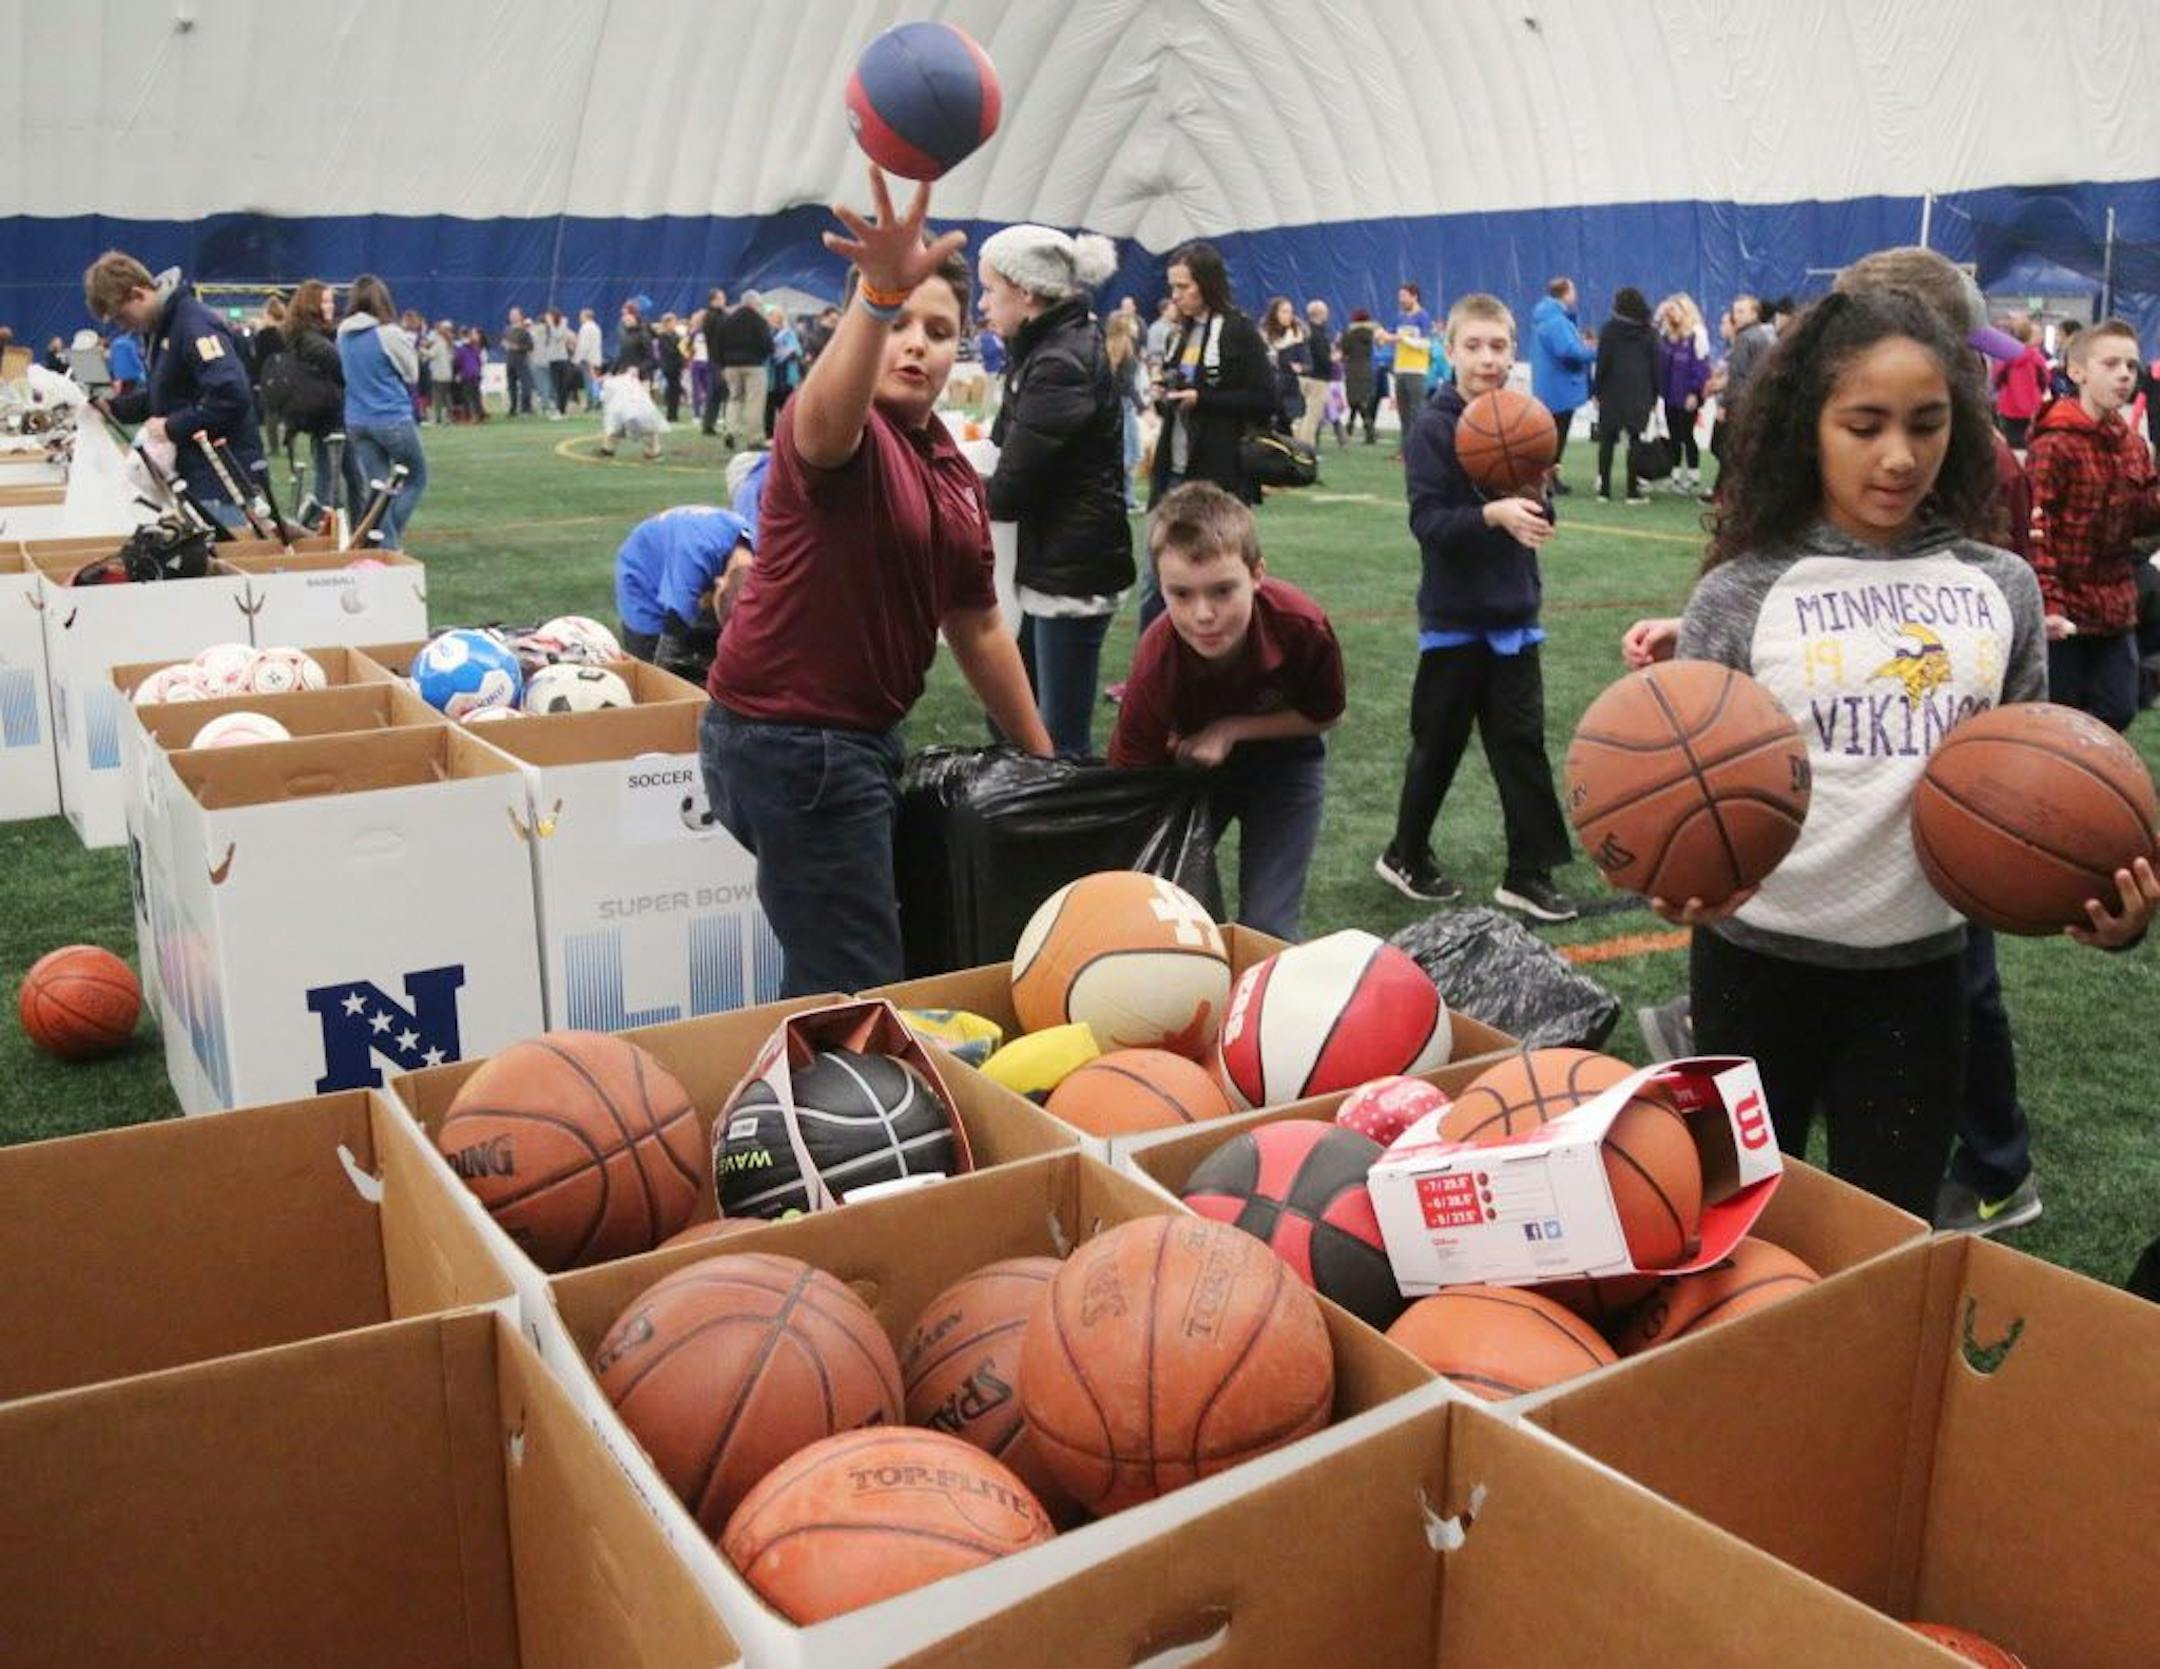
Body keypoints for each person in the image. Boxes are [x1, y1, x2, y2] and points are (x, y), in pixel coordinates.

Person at [1667, 286, 2153, 1219]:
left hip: (1920, 981)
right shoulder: (1741, 592)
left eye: (1927, 424)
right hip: (1749, 968)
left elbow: (2030, 793)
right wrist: (1676, 866)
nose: (1899, 455)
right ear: (1809, 425)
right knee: (1727, 1228)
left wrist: (2100, 899)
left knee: (1884, 1249)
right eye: (1864, 424)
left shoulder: (1999, 587)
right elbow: (1692, 789)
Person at [701, 167, 1051, 996]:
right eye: (902, 323)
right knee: (854, 983)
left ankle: (800, 1101)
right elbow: (823, 419)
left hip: (841, 742)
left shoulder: (952, 470)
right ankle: (811, 1117)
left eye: (939, 328)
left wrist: (1043, 759)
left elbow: (979, 626)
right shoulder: (844, 436)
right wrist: (877, 298)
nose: (917, 343)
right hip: (796, 740)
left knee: (839, 958)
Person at [1378, 293, 1578, 922]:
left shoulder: (1524, 418)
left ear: (1512, 353)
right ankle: (1405, 853)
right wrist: (1492, 513)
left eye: (1498, 347)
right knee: (1436, 745)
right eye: (1474, 346)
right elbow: (1428, 522)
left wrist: (1535, 506)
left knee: (1522, 746)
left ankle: (1529, 871)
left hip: (1516, 616)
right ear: (1450, 349)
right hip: (1455, 620)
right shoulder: (1434, 427)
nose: (1487, 359)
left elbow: (1542, 513)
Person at [1109, 482, 1344, 940]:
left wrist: (1231, 728)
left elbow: (1327, 713)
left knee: (1267, 928)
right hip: (1192, 773)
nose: (1203, 614)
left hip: (1286, 762)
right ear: (1160, 587)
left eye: (1222, 590)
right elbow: (1130, 778)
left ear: (1257, 574)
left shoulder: (1302, 626)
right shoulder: (1157, 657)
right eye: (1181, 594)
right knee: (1162, 918)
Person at [978, 224, 1132, 759]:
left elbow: (1010, 489)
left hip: (1072, 572)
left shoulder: (1059, 362)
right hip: (1057, 560)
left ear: (1025, 292)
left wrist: (940, 486)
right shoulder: (1043, 349)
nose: (983, 303)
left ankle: (1073, 838)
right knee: (1013, 716)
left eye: (990, 290)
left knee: (1060, 740)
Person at [2023, 317, 2160, 734]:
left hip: (2115, 603)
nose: (2124, 374)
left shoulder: (2134, 445)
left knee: (2118, 708)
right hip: (2063, 607)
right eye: (2111, 364)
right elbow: (2037, 529)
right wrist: (2049, 604)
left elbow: (2143, 518)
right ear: (2077, 371)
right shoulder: (2055, 443)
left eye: (2131, 366)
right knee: (2058, 719)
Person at [1141, 241, 1275, 633]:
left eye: (1184, 287)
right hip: (1173, 470)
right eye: (1173, 287)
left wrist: (1204, 399)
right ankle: (1153, 671)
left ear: (1207, 283)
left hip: (1217, 473)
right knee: (1158, 577)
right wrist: (1165, 395)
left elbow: (1265, 398)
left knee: (1217, 577)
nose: (1176, 296)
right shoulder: (1181, 333)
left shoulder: (1237, 330)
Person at [85, 250, 266, 529]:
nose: (125, 327)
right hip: (195, 473)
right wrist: (114, 408)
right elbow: (167, 394)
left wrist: (171, 426)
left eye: (122, 317)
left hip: (223, 480)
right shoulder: (161, 328)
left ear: (138, 294)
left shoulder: (193, 325)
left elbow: (231, 394)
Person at [335, 274, 428, 549]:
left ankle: (381, 540)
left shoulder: (343, 333)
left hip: (357, 419)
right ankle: (388, 539)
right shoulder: (389, 333)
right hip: (391, 418)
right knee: (416, 479)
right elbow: (412, 373)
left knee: (378, 490)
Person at [614, 502, 753, 668]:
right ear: (718, 582)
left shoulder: (762, 546)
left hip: (691, 540)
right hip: (643, 569)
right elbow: (666, 653)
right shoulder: (693, 560)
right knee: (653, 667)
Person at [261, 278, 345, 512]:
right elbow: (341, 372)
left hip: (319, 414)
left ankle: (326, 522)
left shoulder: (301, 336)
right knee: (332, 482)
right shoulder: (315, 341)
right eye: (326, 301)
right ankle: (320, 522)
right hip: (330, 414)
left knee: (332, 476)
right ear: (312, 305)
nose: (331, 306)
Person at [1592, 286, 1659, 504]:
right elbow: (1656, 365)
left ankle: (1604, 489)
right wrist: (1655, 394)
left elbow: (1602, 363)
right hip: (1639, 391)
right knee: (1636, 440)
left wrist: (1596, 389)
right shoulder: (1648, 331)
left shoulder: (1609, 330)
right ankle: (1632, 491)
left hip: (1612, 390)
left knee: (1607, 441)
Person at [1529, 277, 1593, 493]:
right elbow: (1568, 351)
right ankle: (1547, 481)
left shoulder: (1545, 319)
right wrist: (1594, 352)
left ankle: (1550, 479)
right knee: (1557, 436)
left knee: (1553, 436)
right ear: (1566, 293)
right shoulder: (1557, 321)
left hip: (1548, 385)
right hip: (1560, 387)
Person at [1654, 293, 1712, 493]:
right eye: (1669, 310)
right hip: (1670, 394)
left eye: (1674, 309)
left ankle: (1693, 474)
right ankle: (1675, 473)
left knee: (1687, 435)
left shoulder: (1697, 334)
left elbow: (1701, 366)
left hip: (1687, 394)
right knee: (1674, 435)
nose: (1671, 314)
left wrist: (1695, 392)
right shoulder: (1667, 336)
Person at [713, 290, 773, 446]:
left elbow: (717, 345)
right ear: (753, 303)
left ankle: (731, 431)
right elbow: (767, 344)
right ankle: (754, 439)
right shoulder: (759, 321)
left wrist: (722, 364)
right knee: (755, 402)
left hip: (731, 366)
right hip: (754, 366)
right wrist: (763, 356)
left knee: (734, 399)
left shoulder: (727, 320)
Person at [1104, 309, 1149, 510]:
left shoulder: (1107, 347)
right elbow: (1128, 384)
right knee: (1131, 452)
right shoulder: (1127, 348)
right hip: (1126, 406)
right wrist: (1143, 406)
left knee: (1121, 452)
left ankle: (1121, 495)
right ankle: (1127, 498)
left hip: (1113, 404)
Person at [1383, 282, 1433, 449]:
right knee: (1403, 413)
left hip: (1417, 370)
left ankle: (1420, 448)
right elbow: (1390, 336)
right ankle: (1405, 449)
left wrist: (1404, 339)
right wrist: (1382, 335)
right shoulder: (1399, 316)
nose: (1401, 301)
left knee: (1417, 411)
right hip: (1400, 369)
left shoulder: (1423, 316)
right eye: (1400, 297)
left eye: (1404, 297)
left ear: (1414, 296)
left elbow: (1426, 343)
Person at [1991, 315, 2049, 448]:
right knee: (2031, 441)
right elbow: (2044, 379)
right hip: (2032, 406)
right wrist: (2039, 392)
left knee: (2012, 442)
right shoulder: (2036, 357)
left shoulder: (2004, 357)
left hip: (2009, 406)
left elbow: (1996, 379)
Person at [1303, 299, 1341, 447]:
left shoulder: (1307, 331)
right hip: (1318, 379)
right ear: (1321, 314)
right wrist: (1333, 358)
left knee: (1307, 415)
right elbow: (1322, 358)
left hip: (1308, 377)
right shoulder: (1318, 334)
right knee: (1312, 416)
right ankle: (1306, 447)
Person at [1339, 308, 1381, 443]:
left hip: (1352, 368)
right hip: (1366, 368)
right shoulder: (1370, 335)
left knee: (1354, 400)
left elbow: (1343, 350)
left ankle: (1356, 427)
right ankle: (1365, 428)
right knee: (1362, 399)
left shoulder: (1349, 335)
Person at [764, 304, 804, 435]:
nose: (775, 319)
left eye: (777, 317)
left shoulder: (788, 333)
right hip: (770, 373)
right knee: (769, 406)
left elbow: (798, 350)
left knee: (786, 406)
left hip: (786, 374)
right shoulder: (765, 332)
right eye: (772, 316)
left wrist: (792, 352)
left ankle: (787, 432)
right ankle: (769, 433)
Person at [501, 307, 535, 416]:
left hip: (521, 361)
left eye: (515, 314)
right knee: (511, 386)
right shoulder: (507, 329)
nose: (512, 316)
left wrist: (518, 347)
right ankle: (513, 408)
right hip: (510, 361)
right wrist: (505, 344)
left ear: (520, 316)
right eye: (511, 314)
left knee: (526, 385)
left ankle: (526, 408)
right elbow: (504, 341)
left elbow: (530, 346)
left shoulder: (524, 330)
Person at [654, 312, 687, 423]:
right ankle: (670, 414)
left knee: (675, 390)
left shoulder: (676, 335)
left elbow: (683, 348)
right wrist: (680, 350)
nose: (675, 324)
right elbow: (669, 351)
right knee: (673, 389)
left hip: (677, 365)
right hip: (669, 366)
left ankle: (674, 413)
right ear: (667, 323)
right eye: (673, 322)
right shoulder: (662, 336)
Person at [574, 307, 605, 405]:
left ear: (585, 316)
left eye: (581, 316)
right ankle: (598, 400)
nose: (579, 318)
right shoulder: (596, 327)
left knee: (589, 381)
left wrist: (577, 359)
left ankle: (591, 402)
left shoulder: (585, 327)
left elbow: (583, 345)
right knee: (595, 380)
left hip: (588, 359)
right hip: (596, 358)